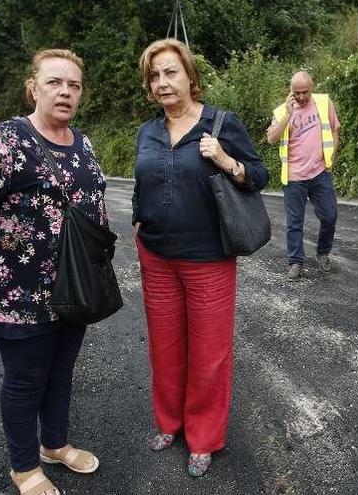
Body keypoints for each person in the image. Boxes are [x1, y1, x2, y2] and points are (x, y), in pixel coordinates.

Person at [0, 49, 103, 495]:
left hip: (72, 289)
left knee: (61, 373)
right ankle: (24, 466)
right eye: (54, 82)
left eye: (73, 84)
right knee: (25, 380)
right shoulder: (8, 139)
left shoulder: (83, 143)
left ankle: (55, 444)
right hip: (19, 294)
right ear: (34, 88)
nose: (65, 92)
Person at [132, 38, 268, 477]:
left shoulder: (220, 124)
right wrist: (138, 219)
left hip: (208, 258)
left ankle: (204, 437)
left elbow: (258, 175)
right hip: (156, 256)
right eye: (154, 76)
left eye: (170, 72)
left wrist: (225, 159)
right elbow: (141, 183)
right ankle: (169, 423)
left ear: (190, 77)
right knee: (165, 348)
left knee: (209, 353)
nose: (162, 82)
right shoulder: (148, 131)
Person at [266, 71, 340, 281]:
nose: (300, 97)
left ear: (312, 87)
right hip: (294, 176)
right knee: (294, 222)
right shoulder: (282, 110)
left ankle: (323, 252)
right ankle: (295, 262)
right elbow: (271, 138)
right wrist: (288, 115)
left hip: (320, 172)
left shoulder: (324, 103)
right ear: (290, 91)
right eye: (296, 93)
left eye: (304, 92)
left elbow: (335, 131)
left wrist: (331, 156)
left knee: (330, 216)